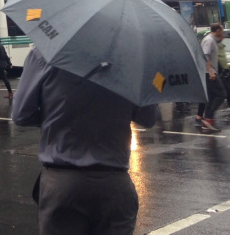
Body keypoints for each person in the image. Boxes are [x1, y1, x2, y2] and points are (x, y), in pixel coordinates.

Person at [12, 48, 158, 235]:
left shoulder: (46, 53)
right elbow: (148, 118)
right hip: (115, 184)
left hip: (63, 184)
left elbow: (21, 115)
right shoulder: (132, 58)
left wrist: (57, 117)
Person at [197, 23, 230, 131]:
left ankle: (207, 121)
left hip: (212, 72)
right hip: (209, 73)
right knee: (221, 94)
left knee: (212, 96)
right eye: (221, 30)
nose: (223, 32)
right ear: (217, 30)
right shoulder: (209, 40)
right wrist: (210, 71)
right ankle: (208, 119)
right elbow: (205, 56)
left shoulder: (213, 40)